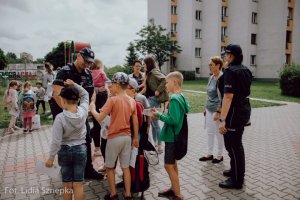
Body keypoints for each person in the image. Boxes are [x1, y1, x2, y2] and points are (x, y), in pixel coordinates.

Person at [51, 47, 104, 180]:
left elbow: (91, 94)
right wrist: (69, 112)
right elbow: (57, 93)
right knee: (64, 142)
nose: (88, 63)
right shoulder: (65, 71)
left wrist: (89, 106)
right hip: (64, 113)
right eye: (86, 60)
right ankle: (66, 170)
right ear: (79, 56)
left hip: (81, 113)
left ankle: (88, 170)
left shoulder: (88, 73)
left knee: (86, 140)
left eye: (90, 62)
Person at [90, 72, 139, 200]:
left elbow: (100, 117)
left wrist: (93, 109)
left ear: (117, 84)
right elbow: (135, 121)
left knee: (110, 167)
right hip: (127, 138)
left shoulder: (113, 100)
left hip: (114, 138)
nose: (111, 85)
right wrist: (135, 138)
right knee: (125, 167)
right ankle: (128, 195)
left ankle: (113, 195)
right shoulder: (132, 100)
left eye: (112, 83)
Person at [46, 79, 88, 200]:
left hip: (64, 151)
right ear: (78, 100)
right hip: (80, 150)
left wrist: (51, 158)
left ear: (63, 101)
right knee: (78, 184)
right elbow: (85, 94)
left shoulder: (60, 118)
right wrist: (74, 84)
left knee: (67, 184)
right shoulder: (83, 111)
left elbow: (56, 141)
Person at [218, 44, 252, 189]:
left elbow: (228, 97)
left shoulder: (231, 72)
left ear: (231, 56)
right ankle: (234, 171)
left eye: (225, 55)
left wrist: (223, 119)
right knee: (233, 145)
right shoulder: (245, 70)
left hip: (233, 114)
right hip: (243, 110)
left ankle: (237, 180)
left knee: (234, 146)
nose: (224, 57)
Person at [152, 71, 190, 200]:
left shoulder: (174, 98)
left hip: (172, 137)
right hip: (177, 136)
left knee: (168, 165)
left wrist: (159, 115)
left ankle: (178, 195)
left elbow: (173, 120)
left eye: (167, 82)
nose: (165, 85)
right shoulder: (181, 96)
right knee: (173, 164)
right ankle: (174, 189)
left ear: (175, 82)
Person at [199, 56, 225, 163]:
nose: (209, 66)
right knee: (210, 132)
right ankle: (209, 153)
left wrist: (218, 112)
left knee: (218, 133)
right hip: (209, 109)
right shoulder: (211, 77)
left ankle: (220, 155)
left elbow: (223, 97)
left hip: (217, 110)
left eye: (211, 64)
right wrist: (206, 107)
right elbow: (208, 94)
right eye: (209, 64)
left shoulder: (222, 78)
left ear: (218, 66)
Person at [141, 56, 169, 153]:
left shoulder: (154, 72)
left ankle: (160, 145)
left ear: (148, 64)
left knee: (155, 124)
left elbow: (165, 79)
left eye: (144, 64)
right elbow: (146, 88)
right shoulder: (148, 74)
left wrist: (158, 90)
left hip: (153, 99)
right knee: (152, 124)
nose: (143, 65)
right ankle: (155, 144)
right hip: (149, 99)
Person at [90, 58, 109, 157]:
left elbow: (89, 86)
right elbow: (107, 80)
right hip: (102, 96)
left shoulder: (89, 72)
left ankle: (97, 148)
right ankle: (105, 145)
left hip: (94, 97)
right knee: (104, 121)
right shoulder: (101, 72)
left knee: (96, 123)